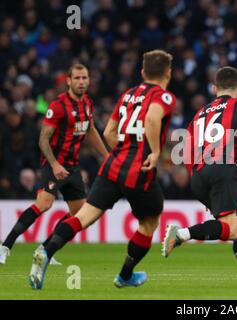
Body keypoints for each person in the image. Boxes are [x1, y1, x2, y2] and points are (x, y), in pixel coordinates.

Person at [29, 50, 176, 289]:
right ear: (168, 73)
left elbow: (108, 132)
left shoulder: (128, 95)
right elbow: (152, 119)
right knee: (150, 222)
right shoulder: (165, 97)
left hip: (112, 165)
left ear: (142, 72)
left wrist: (125, 150)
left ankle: (46, 250)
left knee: (83, 216)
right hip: (138, 170)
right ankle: (125, 275)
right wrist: (156, 152)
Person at [162, 66, 237, 286]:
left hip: (198, 174)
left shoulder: (199, 113)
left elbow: (186, 151)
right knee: (233, 229)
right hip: (222, 168)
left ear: (214, 88)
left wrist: (201, 179)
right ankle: (182, 233)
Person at [0, 64, 108, 265]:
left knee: (80, 213)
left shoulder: (88, 104)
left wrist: (107, 156)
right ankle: (5, 246)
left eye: (85, 78)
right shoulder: (58, 106)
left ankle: (44, 250)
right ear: (68, 81)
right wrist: (55, 164)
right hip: (54, 164)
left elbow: (91, 131)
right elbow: (43, 140)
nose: (82, 82)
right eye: (77, 78)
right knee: (44, 204)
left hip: (72, 166)